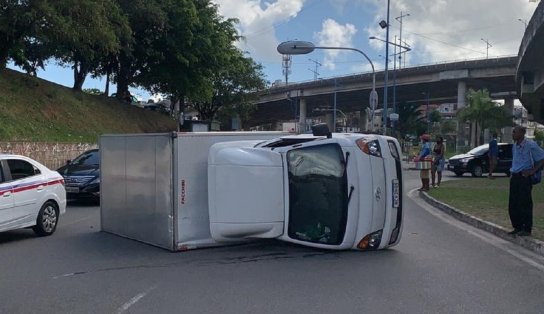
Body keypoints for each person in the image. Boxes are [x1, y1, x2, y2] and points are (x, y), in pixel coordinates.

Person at [508, 126, 544, 236]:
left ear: (522, 133)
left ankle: (526, 228)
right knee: (513, 204)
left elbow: (542, 158)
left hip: (524, 178)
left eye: (515, 132)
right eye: (513, 132)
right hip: (515, 177)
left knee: (525, 203)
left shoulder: (530, 145)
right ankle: (517, 226)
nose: (513, 134)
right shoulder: (515, 146)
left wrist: (532, 171)